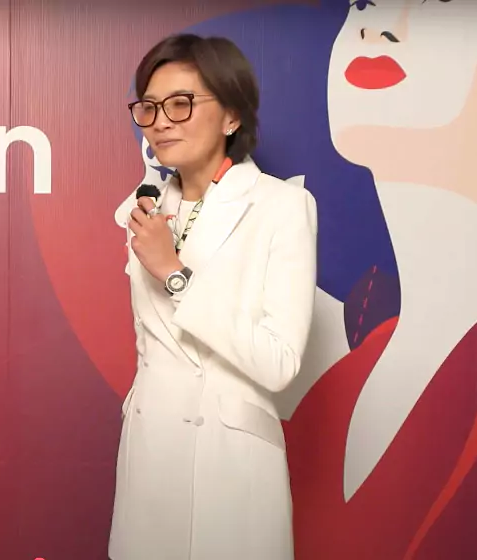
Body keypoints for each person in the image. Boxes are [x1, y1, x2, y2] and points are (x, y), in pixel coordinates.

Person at [109, 34, 317, 560]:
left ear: (231, 116)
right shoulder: (140, 210)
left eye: (181, 104)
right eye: (149, 107)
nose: (161, 122)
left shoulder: (281, 206)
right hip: (150, 462)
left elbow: (279, 362)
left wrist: (175, 274)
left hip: (231, 467)